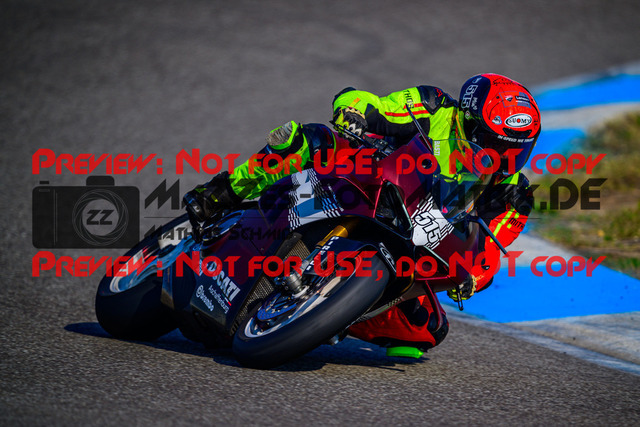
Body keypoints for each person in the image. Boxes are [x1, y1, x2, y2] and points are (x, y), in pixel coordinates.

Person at [184, 73, 540, 358]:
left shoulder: (514, 194)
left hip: (415, 246)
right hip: (372, 184)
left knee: (428, 328)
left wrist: (474, 276)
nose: (502, 158)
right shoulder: (433, 106)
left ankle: (331, 312)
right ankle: (221, 194)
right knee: (311, 139)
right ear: (468, 121)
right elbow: (368, 103)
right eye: (495, 144)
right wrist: (353, 113)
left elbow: (489, 252)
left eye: (516, 151)